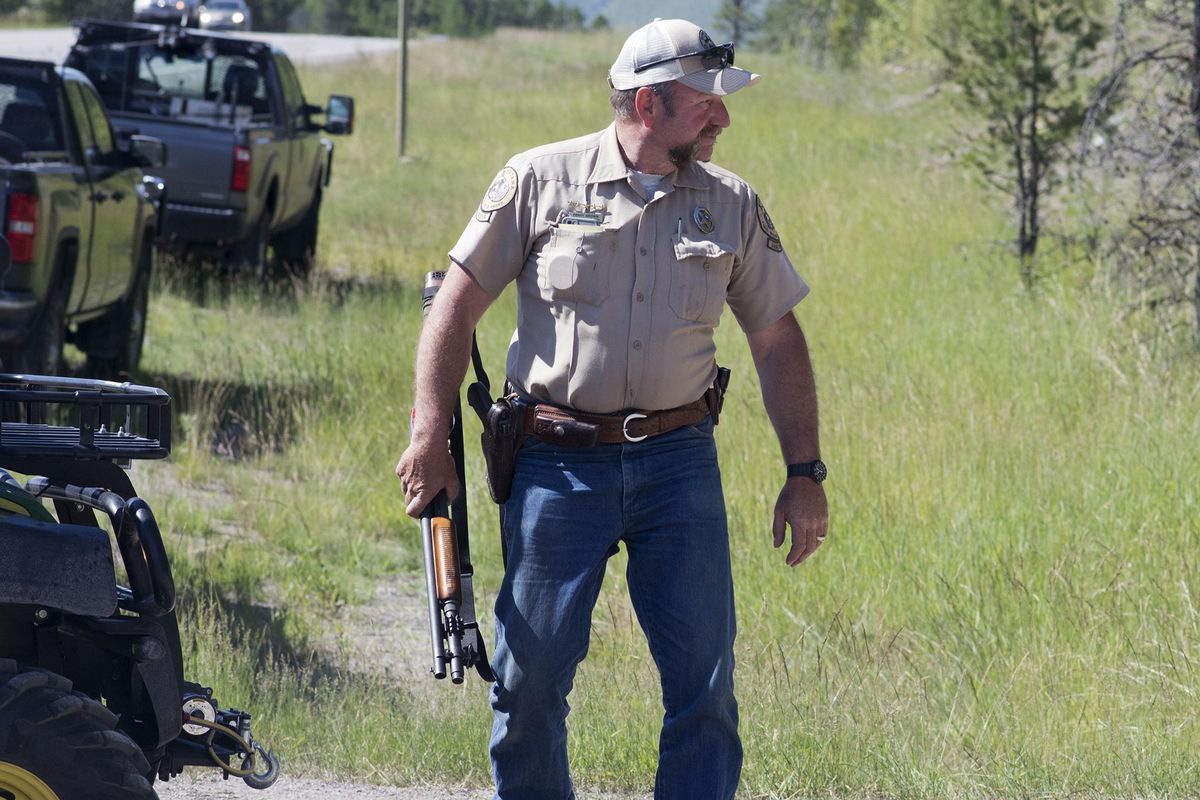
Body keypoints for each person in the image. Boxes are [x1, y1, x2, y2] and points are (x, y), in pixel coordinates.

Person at [396, 18, 829, 800]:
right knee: (527, 687)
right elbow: (454, 309)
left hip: (678, 464)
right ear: (651, 102)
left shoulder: (731, 205)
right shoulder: (538, 180)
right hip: (556, 466)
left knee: (706, 687)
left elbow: (776, 341)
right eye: (708, 103)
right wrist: (429, 431)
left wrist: (805, 471)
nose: (724, 118)